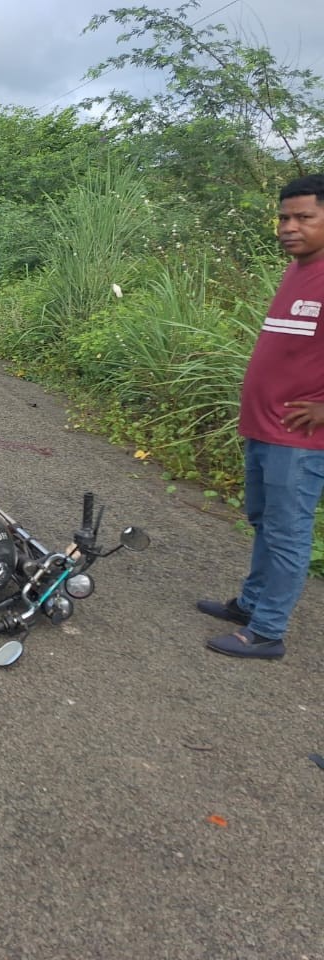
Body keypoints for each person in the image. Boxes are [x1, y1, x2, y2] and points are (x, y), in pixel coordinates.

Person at [199, 173, 324, 659]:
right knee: (264, 523)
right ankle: (250, 605)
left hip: (299, 441)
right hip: (264, 427)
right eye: (284, 217)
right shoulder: (298, 269)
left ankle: (268, 631)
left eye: (304, 218)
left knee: (288, 534)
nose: (289, 227)